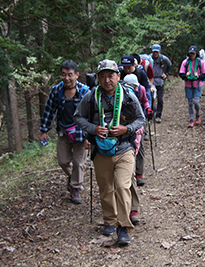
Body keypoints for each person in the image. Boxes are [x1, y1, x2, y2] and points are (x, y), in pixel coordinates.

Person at [73, 59, 146, 246]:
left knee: (123, 186)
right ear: (98, 78)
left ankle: (123, 227)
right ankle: (110, 220)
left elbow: (140, 119)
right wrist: (93, 128)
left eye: (111, 76)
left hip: (124, 149)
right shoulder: (91, 96)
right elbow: (78, 117)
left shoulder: (128, 95)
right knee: (106, 188)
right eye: (103, 76)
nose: (107, 80)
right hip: (101, 149)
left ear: (118, 76)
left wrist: (126, 129)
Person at [39, 60, 90, 205]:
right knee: (63, 161)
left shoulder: (85, 91)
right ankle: (73, 177)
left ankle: (75, 188)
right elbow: (49, 111)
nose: (66, 78)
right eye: (63, 75)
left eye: (70, 75)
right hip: (63, 132)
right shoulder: (56, 91)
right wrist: (44, 130)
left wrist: (90, 136)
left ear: (77, 75)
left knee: (79, 162)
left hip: (81, 133)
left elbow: (92, 115)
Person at [122, 74, 153, 224]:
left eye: (133, 87)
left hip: (136, 129)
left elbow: (146, 102)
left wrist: (148, 110)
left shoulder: (139, 90)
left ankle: (138, 174)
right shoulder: (119, 94)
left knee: (138, 151)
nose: (132, 90)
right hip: (122, 134)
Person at [179, 45, 205, 128]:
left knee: (196, 101)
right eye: (190, 53)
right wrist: (186, 75)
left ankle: (198, 115)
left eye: (193, 53)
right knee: (190, 103)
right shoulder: (185, 62)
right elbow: (181, 74)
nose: (192, 55)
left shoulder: (200, 62)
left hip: (197, 84)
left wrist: (198, 76)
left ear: (196, 54)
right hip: (188, 85)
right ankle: (191, 119)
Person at [150, 44, 172, 123]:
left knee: (160, 99)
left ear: (160, 51)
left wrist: (166, 73)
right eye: (154, 52)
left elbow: (169, 64)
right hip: (151, 81)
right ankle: (152, 112)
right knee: (151, 98)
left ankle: (158, 115)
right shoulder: (149, 58)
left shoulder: (163, 58)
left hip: (160, 81)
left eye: (157, 52)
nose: (155, 53)